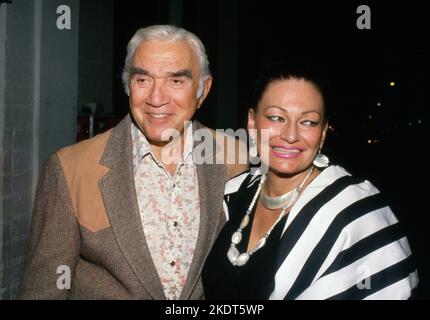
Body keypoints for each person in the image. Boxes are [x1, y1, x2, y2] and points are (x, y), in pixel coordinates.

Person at [21, 25, 247, 300]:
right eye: (143, 80)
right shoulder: (71, 169)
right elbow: (45, 289)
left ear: (203, 89)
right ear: (128, 84)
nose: (156, 98)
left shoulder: (238, 161)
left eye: (176, 81)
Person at [202, 62, 419, 299]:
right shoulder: (235, 192)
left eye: (308, 122)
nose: (291, 135)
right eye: (276, 118)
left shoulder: (355, 210)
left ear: (323, 132)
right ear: (252, 124)